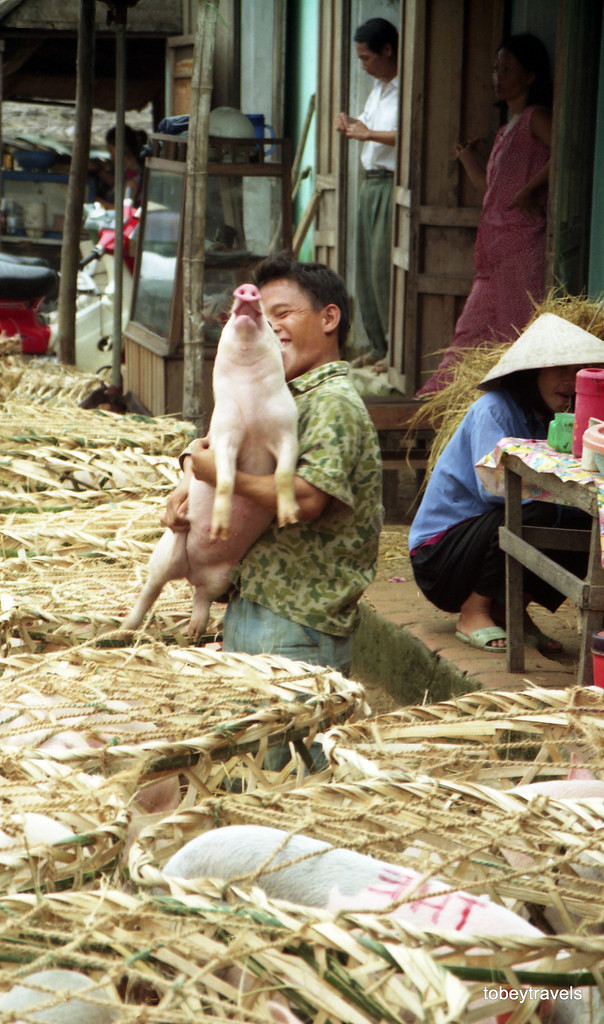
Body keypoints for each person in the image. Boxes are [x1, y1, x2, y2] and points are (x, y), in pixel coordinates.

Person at [163, 252, 383, 674]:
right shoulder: (284, 394)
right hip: (259, 603)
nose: (270, 326)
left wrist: (222, 476)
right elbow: (215, 443)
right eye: (263, 318)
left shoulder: (331, 403)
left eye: (283, 313)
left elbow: (307, 499)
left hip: (297, 621)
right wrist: (191, 474)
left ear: (329, 318)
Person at [408, 314, 604, 652]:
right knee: (537, 511)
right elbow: (494, 490)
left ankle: (509, 608)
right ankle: (474, 611)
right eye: (559, 368)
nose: (568, 380)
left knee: (585, 522)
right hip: (440, 557)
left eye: (576, 371)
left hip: (481, 544)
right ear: (532, 372)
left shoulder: (555, 420)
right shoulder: (494, 409)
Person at [417, 34, 552, 396]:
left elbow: (566, 155)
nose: (498, 76)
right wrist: (466, 158)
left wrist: (529, 189)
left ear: (530, 76)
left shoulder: (536, 118)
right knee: (468, 334)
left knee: (516, 335)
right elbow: (491, 192)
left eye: (507, 69)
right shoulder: (506, 130)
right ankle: (433, 404)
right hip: (493, 251)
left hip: (523, 246)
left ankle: (517, 410)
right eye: (495, 69)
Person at [335, 18, 398, 367]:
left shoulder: (406, 89)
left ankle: (393, 350)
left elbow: (408, 133)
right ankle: (377, 347)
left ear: (388, 50)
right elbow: (365, 126)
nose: (363, 65)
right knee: (365, 267)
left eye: (366, 58)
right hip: (369, 182)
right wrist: (348, 123)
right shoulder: (379, 88)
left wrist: (368, 134)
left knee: (382, 267)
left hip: (390, 183)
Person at [93, 124, 148, 208]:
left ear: (122, 150)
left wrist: (98, 201)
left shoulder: (132, 179)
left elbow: (124, 210)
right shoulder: (128, 171)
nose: (110, 156)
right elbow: (115, 183)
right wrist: (99, 169)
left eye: (111, 152)